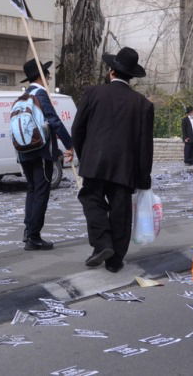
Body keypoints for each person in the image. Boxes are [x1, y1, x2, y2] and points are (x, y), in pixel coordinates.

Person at [72, 47, 153, 273]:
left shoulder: (93, 93)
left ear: (111, 72)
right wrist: (143, 177)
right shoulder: (143, 104)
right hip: (125, 167)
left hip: (95, 161)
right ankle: (115, 260)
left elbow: (77, 129)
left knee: (91, 199)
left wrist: (84, 155)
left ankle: (102, 243)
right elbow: (145, 145)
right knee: (121, 211)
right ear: (131, 77)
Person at [17, 59, 73, 251]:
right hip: (41, 151)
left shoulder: (24, 96)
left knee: (32, 190)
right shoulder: (40, 94)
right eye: (47, 76)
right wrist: (69, 144)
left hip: (24, 151)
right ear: (42, 76)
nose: (48, 79)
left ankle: (29, 231)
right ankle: (34, 236)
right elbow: (54, 121)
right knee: (41, 192)